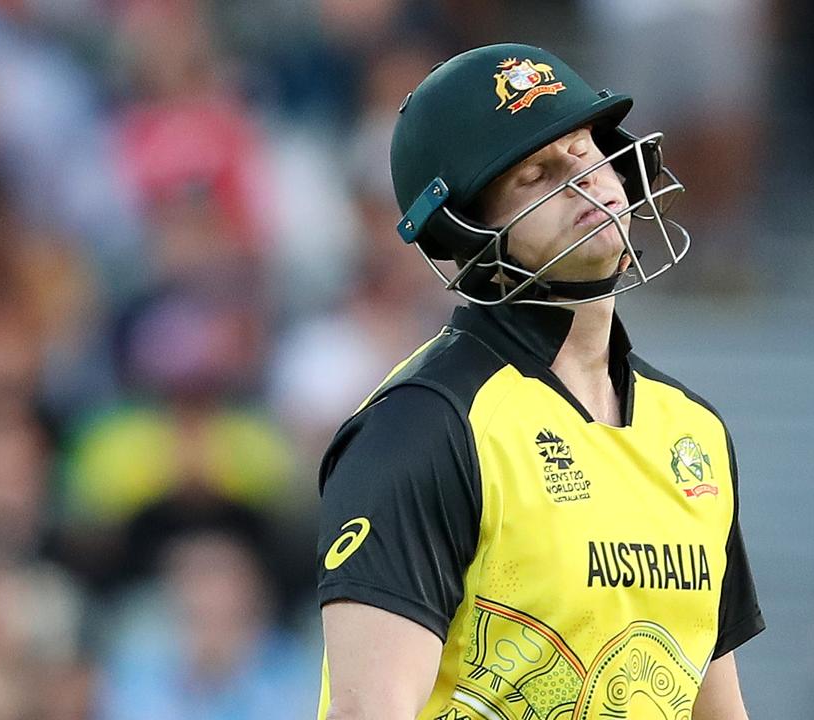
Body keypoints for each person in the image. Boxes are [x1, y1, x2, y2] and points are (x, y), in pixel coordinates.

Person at [315, 42, 764, 719]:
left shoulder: (691, 430)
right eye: (537, 174)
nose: (585, 177)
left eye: (585, 147)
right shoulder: (424, 426)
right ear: (469, 231)